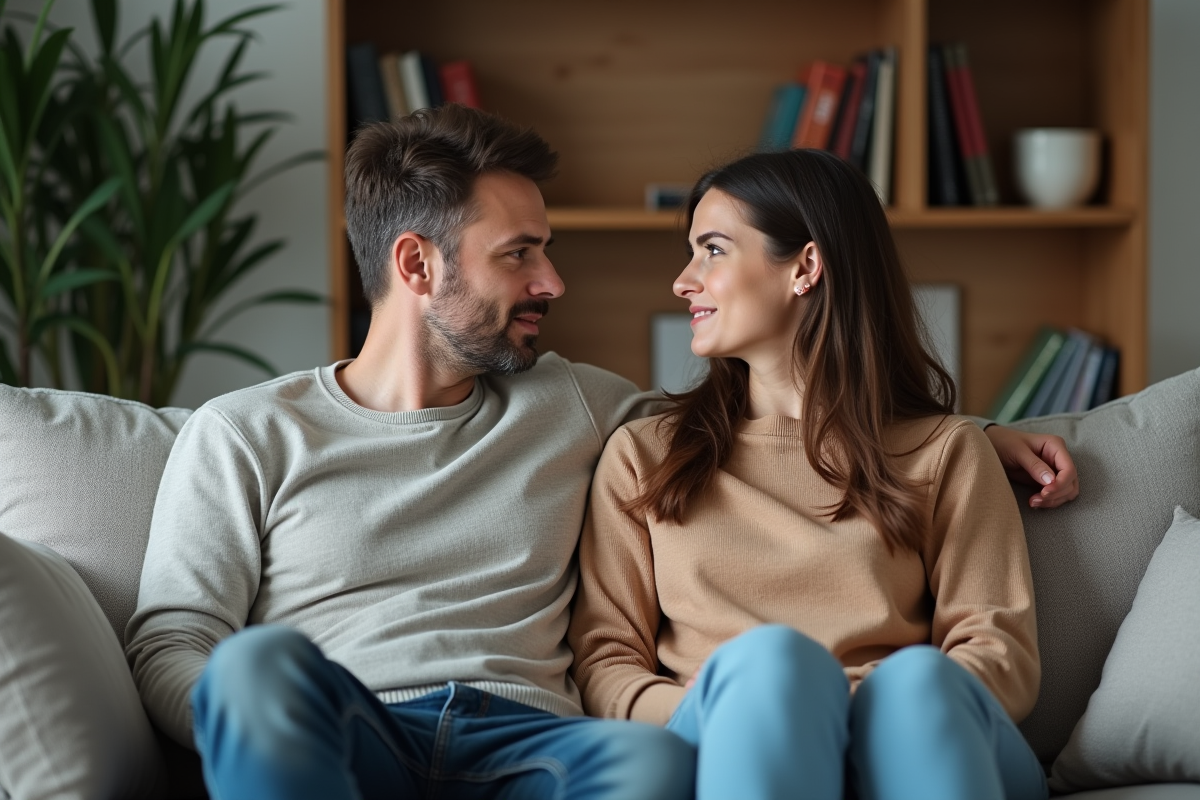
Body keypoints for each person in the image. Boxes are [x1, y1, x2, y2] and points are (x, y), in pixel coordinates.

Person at [126, 106, 1071, 800]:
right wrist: (257, 725)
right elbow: (173, 641)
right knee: (254, 669)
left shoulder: (577, 405)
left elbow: (784, 421)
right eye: (519, 254)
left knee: (654, 763)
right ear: (416, 264)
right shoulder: (245, 432)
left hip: (532, 743)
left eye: (547, 249)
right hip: (355, 720)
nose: (553, 280)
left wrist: (977, 437)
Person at [569, 149, 1050, 800]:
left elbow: (999, 654)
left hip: (914, 737)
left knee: (915, 682)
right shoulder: (643, 457)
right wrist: (738, 705)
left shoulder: (948, 452)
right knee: (771, 665)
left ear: (805, 267)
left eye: (713, 251)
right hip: (731, 737)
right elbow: (605, 662)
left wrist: (839, 710)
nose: (683, 281)